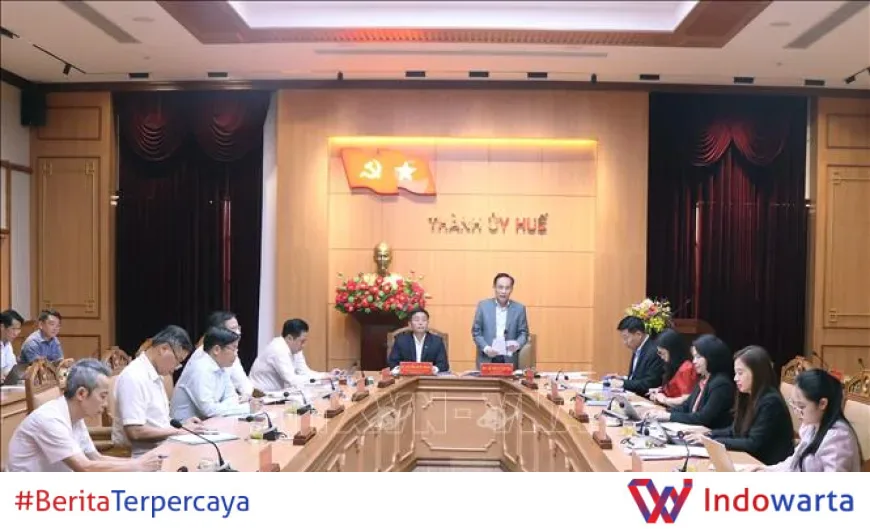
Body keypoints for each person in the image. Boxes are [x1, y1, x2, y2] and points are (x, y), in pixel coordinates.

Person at [7, 359, 163, 471]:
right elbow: (84, 467)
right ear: (81, 393)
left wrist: (139, 463)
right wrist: (136, 465)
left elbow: (95, 458)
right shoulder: (50, 419)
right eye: (103, 396)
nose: (106, 404)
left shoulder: (74, 416)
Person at [687, 346, 794, 465]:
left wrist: (712, 441)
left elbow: (753, 444)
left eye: (740, 373)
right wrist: (708, 435)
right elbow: (735, 430)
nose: (735, 378)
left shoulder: (771, 402)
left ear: (757, 373)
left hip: (765, 465)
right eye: (735, 373)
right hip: (748, 459)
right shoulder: (748, 394)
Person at [113, 325, 207, 456]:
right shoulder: (134, 376)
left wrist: (182, 425)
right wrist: (179, 432)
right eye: (178, 360)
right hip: (142, 456)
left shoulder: (154, 375)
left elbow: (157, 421)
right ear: (164, 349)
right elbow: (135, 431)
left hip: (162, 449)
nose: (176, 368)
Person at [746, 369, 862, 472]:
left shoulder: (838, 437)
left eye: (801, 406)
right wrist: (766, 470)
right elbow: (793, 464)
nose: (796, 412)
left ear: (822, 404)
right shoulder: (812, 425)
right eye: (794, 404)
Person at [645, 334, 735, 429]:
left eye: (698, 357)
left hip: (708, 434)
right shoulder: (704, 379)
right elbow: (686, 406)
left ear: (711, 357)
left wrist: (669, 416)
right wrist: (663, 412)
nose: (694, 361)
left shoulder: (721, 384)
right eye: (694, 357)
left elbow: (703, 418)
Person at [171, 327, 249, 421]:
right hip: (184, 425)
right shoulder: (200, 369)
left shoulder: (222, 367)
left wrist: (223, 407)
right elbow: (208, 410)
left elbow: (232, 397)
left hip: (206, 423)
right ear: (216, 350)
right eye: (233, 349)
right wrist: (245, 408)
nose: (236, 354)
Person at [249, 318, 337, 392]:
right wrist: (321, 379)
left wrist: (326, 375)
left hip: (276, 394)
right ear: (289, 338)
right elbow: (292, 380)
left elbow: (304, 372)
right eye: (302, 341)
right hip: (260, 395)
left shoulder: (295, 349)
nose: (304, 345)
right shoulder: (278, 349)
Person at [185, 311, 253, 398]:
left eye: (238, 328)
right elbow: (207, 402)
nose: (238, 333)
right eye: (233, 329)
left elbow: (242, 383)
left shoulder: (230, 353)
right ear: (219, 332)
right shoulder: (202, 355)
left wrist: (247, 397)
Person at [471, 273, 530, 370]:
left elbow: (524, 333)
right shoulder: (483, 306)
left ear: (511, 289)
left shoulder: (519, 309)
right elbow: (476, 332)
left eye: (507, 288)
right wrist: (486, 348)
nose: (503, 291)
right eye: (500, 287)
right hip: (487, 357)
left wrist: (517, 344)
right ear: (494, 287)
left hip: (509, 358)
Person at [607, 316, 664, 395]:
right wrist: (622, 379)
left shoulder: (654, 352)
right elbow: (637, 376)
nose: (624, 342)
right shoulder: (639, 347)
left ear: (638, 334)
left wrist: (623, 383)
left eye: (626, 338)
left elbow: (649, 384)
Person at [387, 308, 449, 374]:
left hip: (428, 378)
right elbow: (393, 362)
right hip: (407, 377)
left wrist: (434, 369)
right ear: (410, 324)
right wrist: (399, 369)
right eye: (416, 320)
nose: (420, 323)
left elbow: (443, 364)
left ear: (427, 323)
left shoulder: (437, 341)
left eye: (424, 320)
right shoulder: (401, 341)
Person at [648, 329, 697, 404]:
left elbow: (686, 400)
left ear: (672, 350)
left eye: (662, 353)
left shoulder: (687, 368)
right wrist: (660, 391)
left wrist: (664, 399)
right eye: (659, 353)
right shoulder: (671, 365)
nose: (661, 357)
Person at [1, 310, 24, 382]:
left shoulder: (8, 345)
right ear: (2, 327)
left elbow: (12, 370)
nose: (16, 333)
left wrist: (23, 374)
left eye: (18, 329)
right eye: (13, 329)